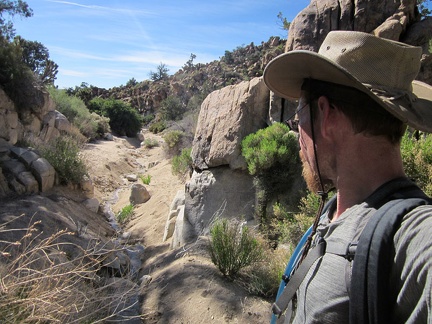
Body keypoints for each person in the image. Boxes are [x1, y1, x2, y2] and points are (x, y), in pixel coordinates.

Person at [263, 31, 432, 323]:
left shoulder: (412, 237)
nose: (297, 135)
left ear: (325, 115)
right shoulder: (332, 213)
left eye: (298, 116)